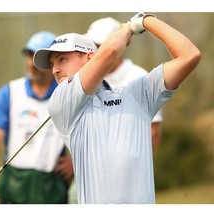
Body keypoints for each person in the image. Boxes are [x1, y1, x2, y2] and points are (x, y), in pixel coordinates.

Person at [33, 13, 201, 204]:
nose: (54, 69)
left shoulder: (137, 94)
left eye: (62, 59)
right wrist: (128, 28)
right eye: (52, 63)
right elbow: (111, 51)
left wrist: (146, 20)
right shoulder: (61, 102)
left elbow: (190, 55)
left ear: (89, 58)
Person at [0, 31, 74, 204]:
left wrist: (75, 162)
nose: (31, 62)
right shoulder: (9, 92)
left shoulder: (67, 93)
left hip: (51, 188)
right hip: (13, 184)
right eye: (29, 55)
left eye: (36, 56)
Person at [85, 17, 163, 153]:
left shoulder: (139, 77)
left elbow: (153, 133)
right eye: (91, 46)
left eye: (98, 46)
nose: (93, 52)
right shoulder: (86, 78)